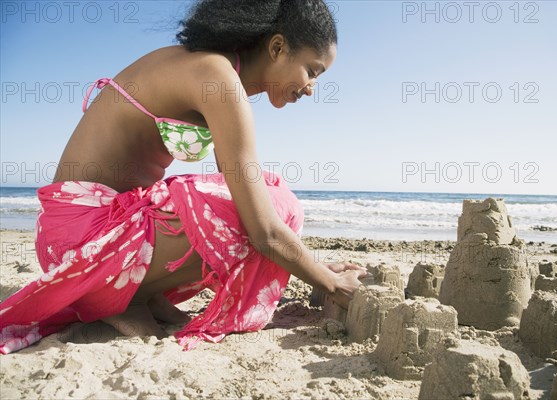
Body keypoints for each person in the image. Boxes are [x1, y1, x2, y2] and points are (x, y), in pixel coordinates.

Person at [0, 0, 366, 354]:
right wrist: (329, 281)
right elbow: (263, 228)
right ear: (277, 47)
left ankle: (139, 294)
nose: (311, 88)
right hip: (81, 239)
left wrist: (307, 264)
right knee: (275, 203)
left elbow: (247, 201)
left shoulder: (215, 72)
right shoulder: (216, 77)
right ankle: (123, 298)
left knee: (264, 194)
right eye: (312, 71)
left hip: (83, 234)